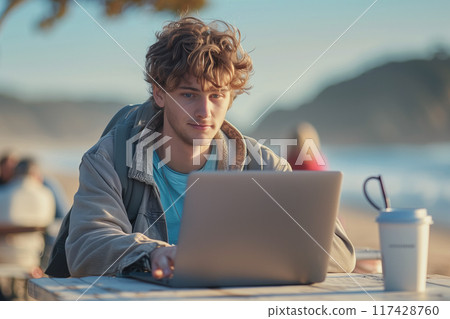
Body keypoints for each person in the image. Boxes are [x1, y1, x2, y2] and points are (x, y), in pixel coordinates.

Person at [64, 17, 355, 279]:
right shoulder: (110, 158)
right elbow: (85, 245)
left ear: (230, 99)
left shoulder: (262, 166)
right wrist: (152, 253)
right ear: (159, 94)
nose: (204, 111)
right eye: (189, 94)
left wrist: (246, 250)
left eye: (217, 95)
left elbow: (341, 253)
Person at [0, 158, 55, 273]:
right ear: (36, 174)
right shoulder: (46, 194)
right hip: (31, 259)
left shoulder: (3, 193)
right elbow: (48, 223)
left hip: (3, 258)